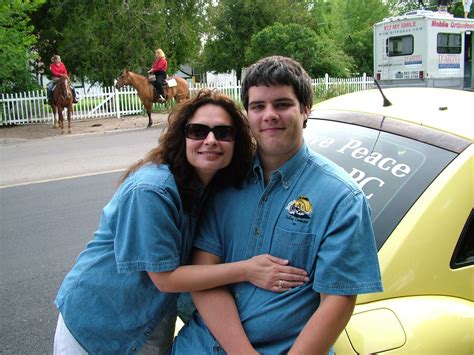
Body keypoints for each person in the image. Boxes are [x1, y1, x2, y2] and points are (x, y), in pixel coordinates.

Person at [53, 89, 309, 354]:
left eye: (223, 133)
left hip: (151, 321)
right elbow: (165, 278)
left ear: (237, 142)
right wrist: (248, 270)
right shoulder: (152, 190)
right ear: (182, 136)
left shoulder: (212, 187)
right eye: (198, 131)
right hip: (98, 324)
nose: (210, 140)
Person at [172, 56, 383, 354]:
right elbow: (204, 274)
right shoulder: (225, 181)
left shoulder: (341, 199)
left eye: (282, 104)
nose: (269, 115)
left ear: (306, 109)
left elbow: (338, 300)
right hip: (196, 346)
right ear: (248, 114)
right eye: (258, 106)